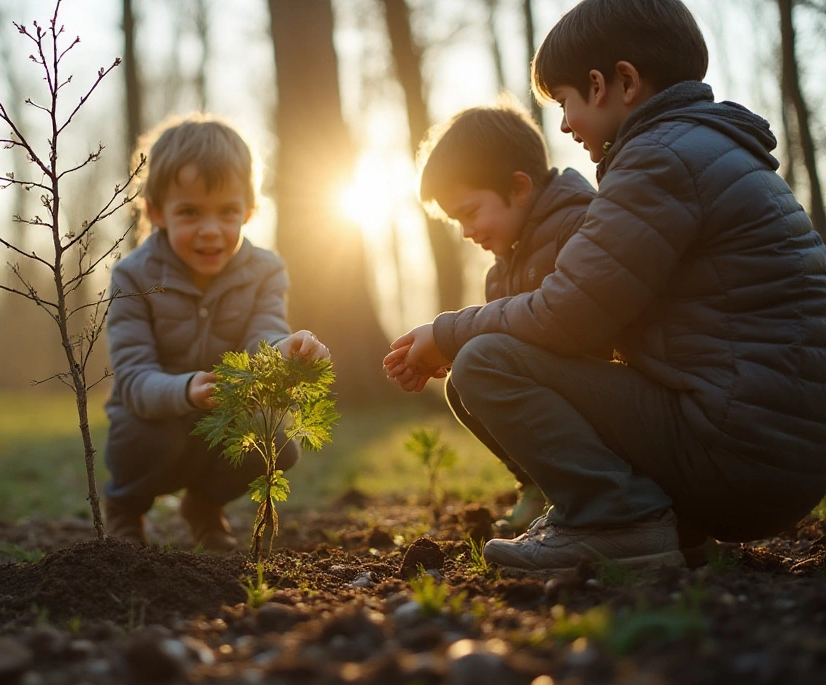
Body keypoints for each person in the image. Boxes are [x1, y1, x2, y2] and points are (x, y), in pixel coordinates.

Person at [384, 0, 826, 571]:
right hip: (770, 452)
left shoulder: (661, 158)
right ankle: (637, 517)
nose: (564, 124)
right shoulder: (701, 148)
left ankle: (616, 520)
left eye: (566, 102)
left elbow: (568, 315)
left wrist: (447, 333)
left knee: (486, 362)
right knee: (484, 357)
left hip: (741, 456)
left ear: (615, 83)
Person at [104, 115, 331, 552]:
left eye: (227, 211)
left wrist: (284, 350)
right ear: (156, 212)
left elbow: (263, 334)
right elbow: (132, 380)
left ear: (248, 209)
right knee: (155, 437)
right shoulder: (133, 276)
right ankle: (125, 508)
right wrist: (186, 390)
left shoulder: (266, 270)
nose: (211, 230)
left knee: (278, 442)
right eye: (189, 212)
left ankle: (205, 506)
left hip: (223, 415)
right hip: (151, 421)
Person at [415, 98, 596, 532]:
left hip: (601, 398)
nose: (467, 231)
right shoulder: (501, 272)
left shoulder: (581, 228)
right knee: (464, 379)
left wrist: (464, 341)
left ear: (518, 188)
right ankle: (537, 485)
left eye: (470, 212)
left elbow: (578, 327)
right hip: (558, 393)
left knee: (477, 361)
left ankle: (590, 493)